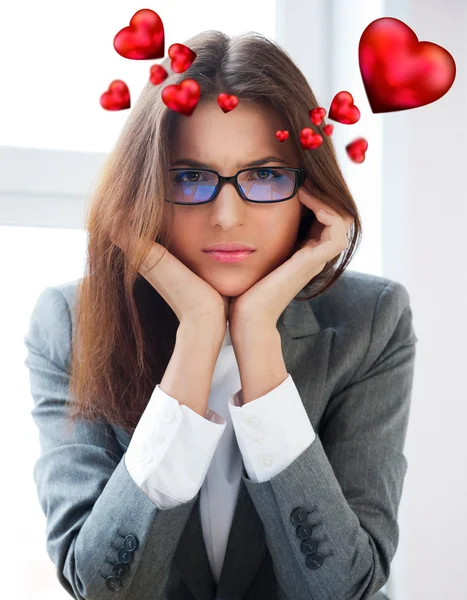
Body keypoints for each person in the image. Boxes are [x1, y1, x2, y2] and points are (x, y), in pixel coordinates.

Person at [23, 29, 417, 600]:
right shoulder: (69, 323)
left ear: (312, 193)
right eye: (189, 177)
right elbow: (104, 590)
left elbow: (344, 588)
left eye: (264, 175)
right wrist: (199, 336)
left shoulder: (370, 321)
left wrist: (257, 339)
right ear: (143, 193)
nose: (227, 216)